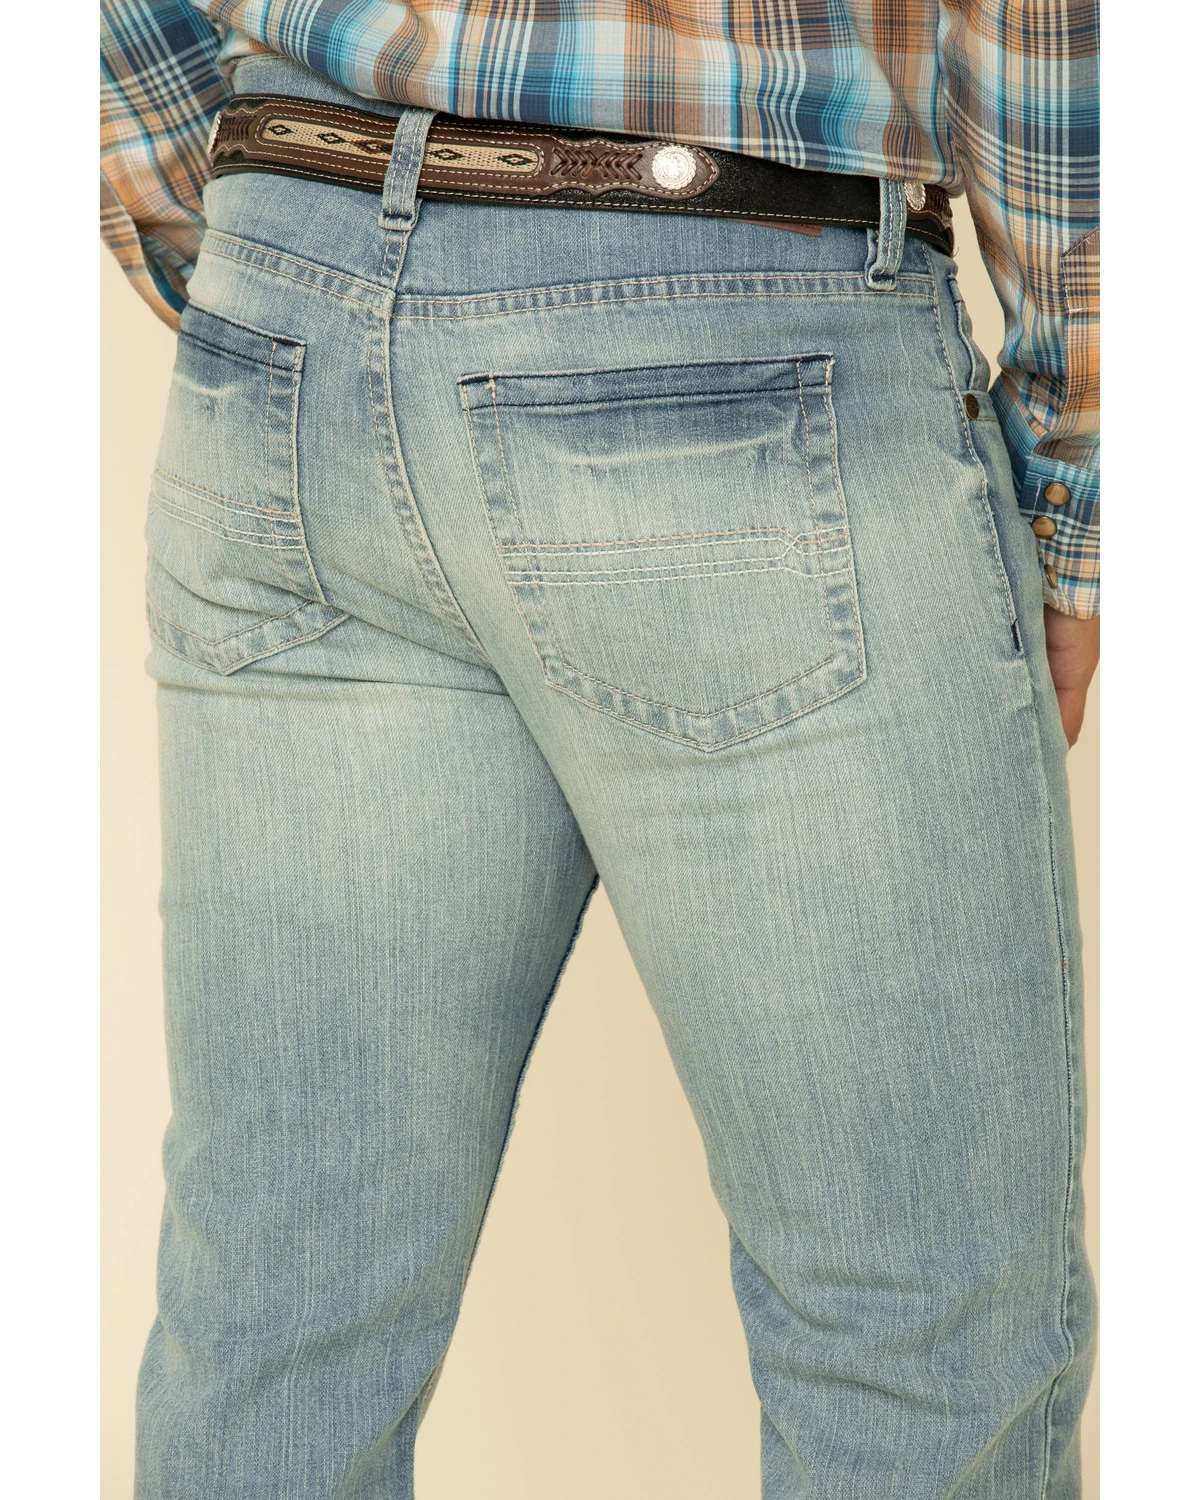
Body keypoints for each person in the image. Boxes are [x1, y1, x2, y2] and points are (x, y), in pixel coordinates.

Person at [101, 2, 1099, 1496]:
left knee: (278, 1329)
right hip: (738, 306)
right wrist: (1075, 466)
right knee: (917, 1349)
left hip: (286, 298)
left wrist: (257, 241)